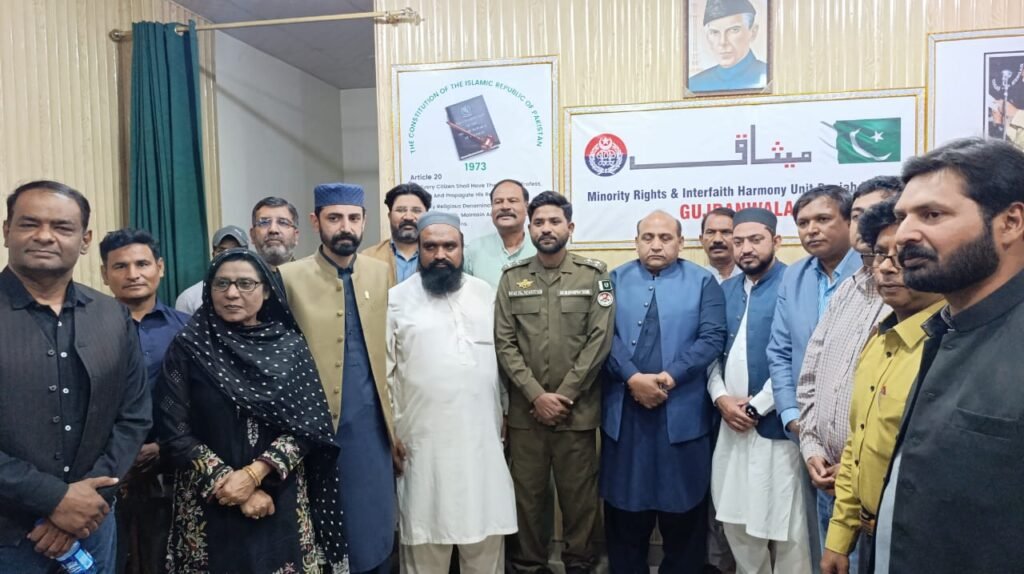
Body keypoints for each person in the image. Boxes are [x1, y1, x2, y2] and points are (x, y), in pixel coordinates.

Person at [872, 138, 1024, 573]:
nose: (903, 235)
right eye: (902, 217)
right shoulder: (942, 327)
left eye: (932, 215)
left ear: (1010, 222)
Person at [156, 249, 347, 573]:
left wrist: (254, 475)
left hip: (279, 496)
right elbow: (174, 429)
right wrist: (229, 483)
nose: (232, 293)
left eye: (245, 283)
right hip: (209, 499)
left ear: (267, 289)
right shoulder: (188, 346)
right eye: (222, 284)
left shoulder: (290, 347)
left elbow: (310, 425)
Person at [0, 180, 150, 572]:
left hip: (92, 525)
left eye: (62, 227)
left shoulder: (111, 316)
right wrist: (54, 499)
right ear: (6, 231)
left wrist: (85, 500)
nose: (45, 236)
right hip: (7, 533)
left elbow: (133, 416)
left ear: (84, 240)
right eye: (29, 224)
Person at [387, 211, 517, 574]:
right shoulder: (397, 299)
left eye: (449, 246)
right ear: (419, 248)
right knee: (425, 541)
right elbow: (386, 370)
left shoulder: (486, 294)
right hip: (421, 444)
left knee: (485, 538)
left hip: (481, 441)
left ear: (462, 249)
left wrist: (505, 410)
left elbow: (503, 360)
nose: (440, 254)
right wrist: (390, 431)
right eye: (431, 246)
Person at [819, 198, 944, 574]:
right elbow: (860, 442)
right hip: (872, 535)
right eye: (879, 254)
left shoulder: (950, 346)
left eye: (904, 255)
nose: (888, 268)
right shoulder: (880, 339)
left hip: (925, 544)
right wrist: (840, 536)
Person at [279, 183, 397, 574]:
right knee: (328, 528)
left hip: (372, 426)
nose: (344, 227)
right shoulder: (288, 278)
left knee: (374, 523)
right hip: (317, 428)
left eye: (353, 218)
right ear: (316, 222)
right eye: (334, 218)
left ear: (364, 221)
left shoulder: (382, 273)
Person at [494, 191, 614, 574]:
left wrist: (561, 397)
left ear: (570, 227)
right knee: (528, 498)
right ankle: (529, 565)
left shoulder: (595, 276)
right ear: (530, 229)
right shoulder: (512, 279)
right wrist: (535, 395)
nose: (546, 229)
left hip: (576, 414)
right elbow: (504, 342)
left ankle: (580, 563)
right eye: (539, 223)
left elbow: (600, 341)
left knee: (579, 499)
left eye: (554, 221)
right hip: (526, 416)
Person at [601, 210, 726, 573]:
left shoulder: (704, 282)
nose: (656, 244)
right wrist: (632, 377)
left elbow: (711, 339)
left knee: (684, 514)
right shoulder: (611, 281)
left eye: (665, 237)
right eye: (647, 237)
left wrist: (669, 377)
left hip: (681, 415)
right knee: (624, 514)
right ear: (636, 241)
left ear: (681, 242)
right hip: (625, 416)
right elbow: (601, 336)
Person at [794, 176, 902, 568]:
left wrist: (858, 466)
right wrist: (811, 448)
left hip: (878, 492)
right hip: (827, 478)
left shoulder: (918, 297)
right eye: (859, 215)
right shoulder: (848, 289)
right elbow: (810, 376)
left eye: (881, 213)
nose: (868, 224)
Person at [708, 208, 810, 574]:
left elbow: (799, 353)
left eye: (755, 240)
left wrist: (758, 407)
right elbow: (710, 350)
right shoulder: (724, 289)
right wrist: (720, 398)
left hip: (774, 425)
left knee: (786, 523)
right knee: (735, 517)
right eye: (739, 242)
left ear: (776, 241)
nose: (746, 248)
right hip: (730, 424)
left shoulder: (795, 284)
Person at [766, 185, 858, 567]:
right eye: (803, 223)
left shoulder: (871, 271)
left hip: (858, 430)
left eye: (823, 219)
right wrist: (791, 417)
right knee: (824, 538)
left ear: (850, 222)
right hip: (808, 432)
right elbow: (781, 350)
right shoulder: (796, 275)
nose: (811, 230)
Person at [99, 228, 190, 574]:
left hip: (174, 468)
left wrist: (164, 448)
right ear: (105, 274)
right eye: (120, 266)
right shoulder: (89, 329)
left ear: (160, 267)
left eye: (142, 263)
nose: (133, 274)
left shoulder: (188, 329)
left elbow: (203, 402)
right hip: (106, 472)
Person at [465, 179, 537, 289]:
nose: (505, 207)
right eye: (498, 202)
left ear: (526, 207)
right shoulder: (473, 250)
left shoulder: (539, 248)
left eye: (512, 201)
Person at [688, 0, 768, 93]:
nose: (722, 42)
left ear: (753, 32)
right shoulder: (694, 85)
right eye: (714, 32)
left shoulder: (771, 78)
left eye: (734, 30)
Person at [362, 182, 432, 283]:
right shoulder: (368, 257)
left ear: (427, 216)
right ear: (389, 216)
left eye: (416, 211)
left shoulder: (439, 256)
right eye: (400, 210)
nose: (408, 217)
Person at [174, 225, 250, 315]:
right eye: (222, 251)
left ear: (247, 256)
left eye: (235, 251)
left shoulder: (256, 293)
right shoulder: (189, 298)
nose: (227, 255)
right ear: (213, 255)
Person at [249, 196, 301, 271]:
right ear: (252, 235)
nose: (273, 229)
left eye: (283, 222)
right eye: (264, 222)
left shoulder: (308, 278)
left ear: (296, 236)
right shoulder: (240, 278)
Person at [700, 207, 741, 283]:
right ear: (701, 240)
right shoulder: (695, 281)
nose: (717, 240)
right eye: (710, 232)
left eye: (726, 232)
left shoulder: (752, 278)